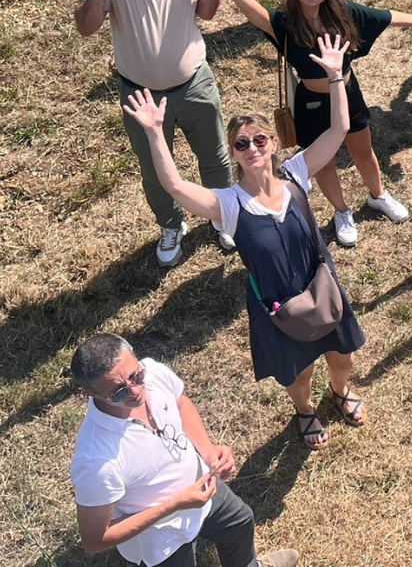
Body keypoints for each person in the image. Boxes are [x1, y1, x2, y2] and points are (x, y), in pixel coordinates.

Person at [123, 34, 369, 451]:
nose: (252, 147)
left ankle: (340, 390)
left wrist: (334, 77)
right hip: (278, 303)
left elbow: (338, 129)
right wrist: (154, 132)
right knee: (298, 372)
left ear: (273, 144)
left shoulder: (296, 174)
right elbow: (175, 185)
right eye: (241, 144)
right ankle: (305, 410)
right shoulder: (230, 204)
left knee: (341, 356)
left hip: (320, 285)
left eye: (259, 140)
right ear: (234, 154)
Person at [197, 0, 412, 248]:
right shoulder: (283, 24)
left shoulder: (342, 13)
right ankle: (342, 212)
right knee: (322, 163)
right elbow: (245, 2)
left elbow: (385, 17)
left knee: (363, 152)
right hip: (311, 103)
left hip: (348, 94)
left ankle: (378, 195)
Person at [73, 0, 234, 268]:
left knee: (215, 156)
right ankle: (171, 225)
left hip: (194, 84)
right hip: (141, 96)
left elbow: (206, 14)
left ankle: (222, 214)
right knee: (155, 170)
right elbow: (86, 28)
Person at [68, 333, 298, 567]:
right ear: (92, 395)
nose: (135, 391)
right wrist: (176, 504)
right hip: (160, 537)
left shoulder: (154, 372)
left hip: (203, 487)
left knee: (239, 522)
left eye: (136, 376)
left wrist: (208, 451)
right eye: (119, 392)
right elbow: (95, 540)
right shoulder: (95, 460)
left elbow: (180, 403)